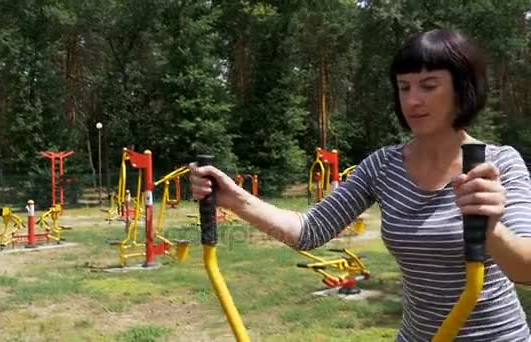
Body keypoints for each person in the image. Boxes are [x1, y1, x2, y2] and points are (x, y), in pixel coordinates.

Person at [189, 29, 531, 341]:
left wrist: (491, 229)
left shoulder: (497, 165)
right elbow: (309, 230)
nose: (412, 101)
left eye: (429, 86)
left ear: (462, 89)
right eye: (404, 87)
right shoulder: (384, 165)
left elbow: (526, 270)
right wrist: (235, 199)